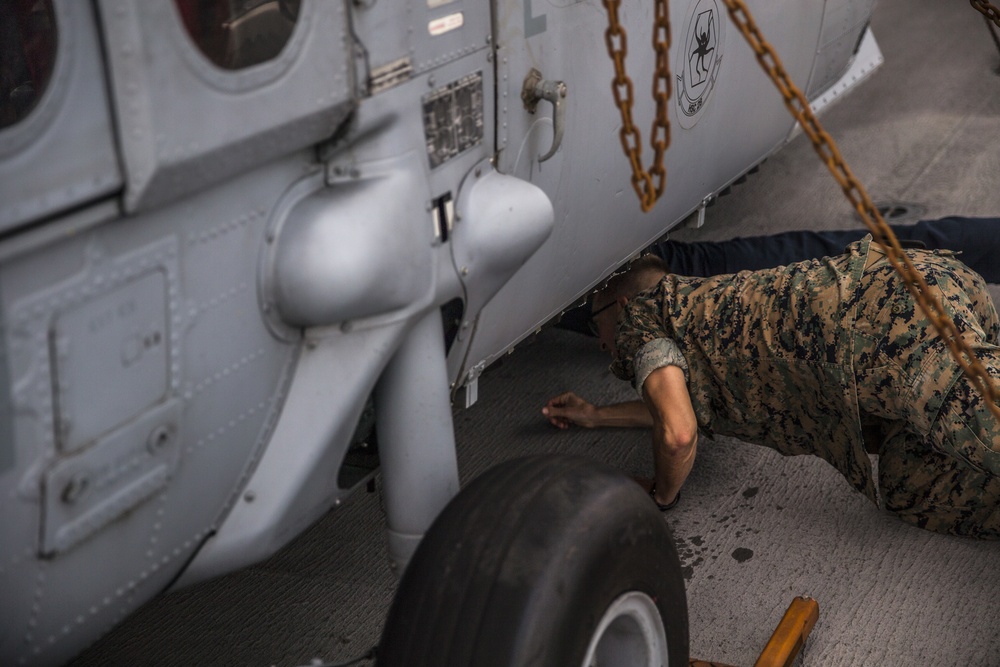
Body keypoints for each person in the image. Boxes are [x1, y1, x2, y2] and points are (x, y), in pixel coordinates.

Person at [544, 228, 1000, 538]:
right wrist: (596, 415)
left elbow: (678, 432)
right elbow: (677, 405)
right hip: (919, 289)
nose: (600, 342)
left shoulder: (640, 321)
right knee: (910, 487)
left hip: (891, 329)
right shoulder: (692, 317)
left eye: (595, 323)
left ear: (621, 306)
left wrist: (661, 495)